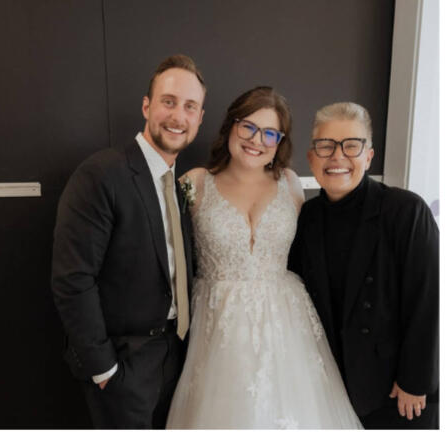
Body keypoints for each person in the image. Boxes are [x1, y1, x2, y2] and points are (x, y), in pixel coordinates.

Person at [166, 87, 362, 429]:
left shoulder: (290, 183)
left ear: (279, 141)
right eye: (249, 127)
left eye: (270, 133)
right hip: (219, 329)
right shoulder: (195, 183)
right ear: (231, 126)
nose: (257, 140)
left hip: (286, 329)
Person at [51, 54, 205, 429]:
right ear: (146, 106)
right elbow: (73, 278)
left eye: (190, 106)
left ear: (200, 118)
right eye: (169, 101)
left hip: (177, 357)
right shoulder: (102, 173)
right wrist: (104, 369)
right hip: (124, 362)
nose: (178, 116)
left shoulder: (179, 184)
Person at [288, 102, 439, 429]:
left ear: (368, 156)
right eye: (326, 146)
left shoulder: (406, 211)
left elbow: (429, 300)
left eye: (351, 145)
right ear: (311, 158)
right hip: (333, 388)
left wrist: (415, 381)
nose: (337, 157)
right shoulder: (307, 218)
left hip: (397, 391)